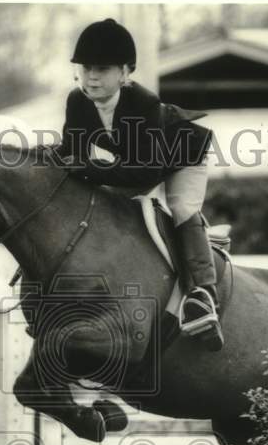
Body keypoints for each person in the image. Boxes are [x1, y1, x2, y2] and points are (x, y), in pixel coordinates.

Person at [58, 18, 224, 351]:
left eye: (102, 69)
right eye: (86, 67)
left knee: (179, 208)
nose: (91, 76)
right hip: (136, 163)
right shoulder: (77, 102)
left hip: (182, 156)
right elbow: (70, 155)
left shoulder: (143, 104)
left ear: (124, 73)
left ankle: (203, 294)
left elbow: (146, 173)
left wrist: (90, 170)